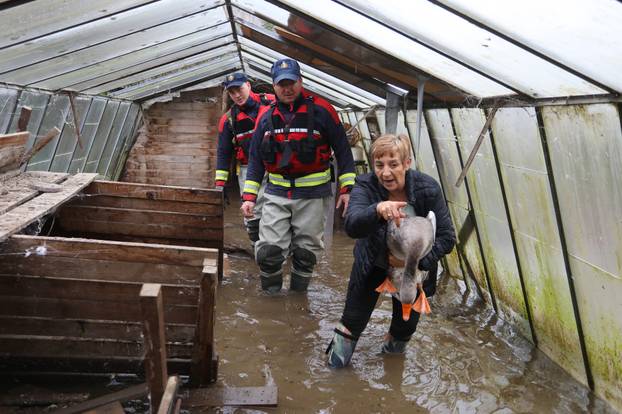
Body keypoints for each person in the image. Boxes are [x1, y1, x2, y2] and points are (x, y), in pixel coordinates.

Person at [326, 133, 456, 368]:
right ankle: (334, 370)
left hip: (415, 271)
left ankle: (391, 370)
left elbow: (447, 237)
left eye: (393, 164)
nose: (386, 173)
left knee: (405, 327)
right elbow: (352, 225)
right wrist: (377, 209)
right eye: (379, 165)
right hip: (372, 264)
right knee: (352, 321)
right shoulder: (365, 185)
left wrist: (415, 264)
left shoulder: (428, 189)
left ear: (407, 163)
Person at [240, 58, 356, 293]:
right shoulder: (266, 119)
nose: (287, 88)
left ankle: (298, 300)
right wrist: (249, 197)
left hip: (313, 197)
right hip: (276, 195)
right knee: (268, 253)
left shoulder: (323, 111)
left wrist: (347, 190)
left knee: (305, 254)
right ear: (273, 86)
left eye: (292, 82)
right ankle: (270, 303)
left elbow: (344, 152)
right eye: (282, 84)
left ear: (300, 81)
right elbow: (255, 162)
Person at [215, 72, 274, 242]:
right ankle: (259, 249)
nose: (237, 96)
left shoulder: (272, 103)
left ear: (248, 85)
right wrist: (220, 184)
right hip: (249, 170)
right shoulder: (228, 120)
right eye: (232, 93)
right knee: (251, 212)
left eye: (239, 89)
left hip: (277, 167)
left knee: (280, 209)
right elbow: (223, 152)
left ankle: (283, 250)